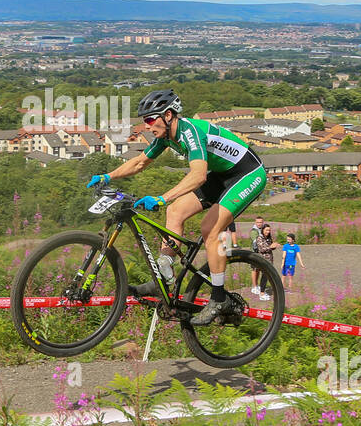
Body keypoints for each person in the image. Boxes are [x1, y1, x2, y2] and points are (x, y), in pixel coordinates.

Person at [87, 89, 268, 325]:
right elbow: (141, 162)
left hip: (247, 173)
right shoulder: (165, 138)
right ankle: (163, 275)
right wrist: (107, 177)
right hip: (222, 174)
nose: (148, 126)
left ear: (169, 115)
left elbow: (199, 175)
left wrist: (162, 197)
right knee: (175, 212)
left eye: (151, 119)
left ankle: (219, 297)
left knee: (210, 229)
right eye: (145, 121)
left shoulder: (190, 132)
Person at [249, 217, 275, 302]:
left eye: (261, 222)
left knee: (264, 274)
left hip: (267, 259)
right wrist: (270, 247)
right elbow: (259, 247)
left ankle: (260, 289)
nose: (268, 232)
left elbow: (269, 247)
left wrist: (273, 246)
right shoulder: (256, 233)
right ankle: (257, 289)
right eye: (266, 230)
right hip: (259, 257)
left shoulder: (267, 237)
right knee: (256, 270)